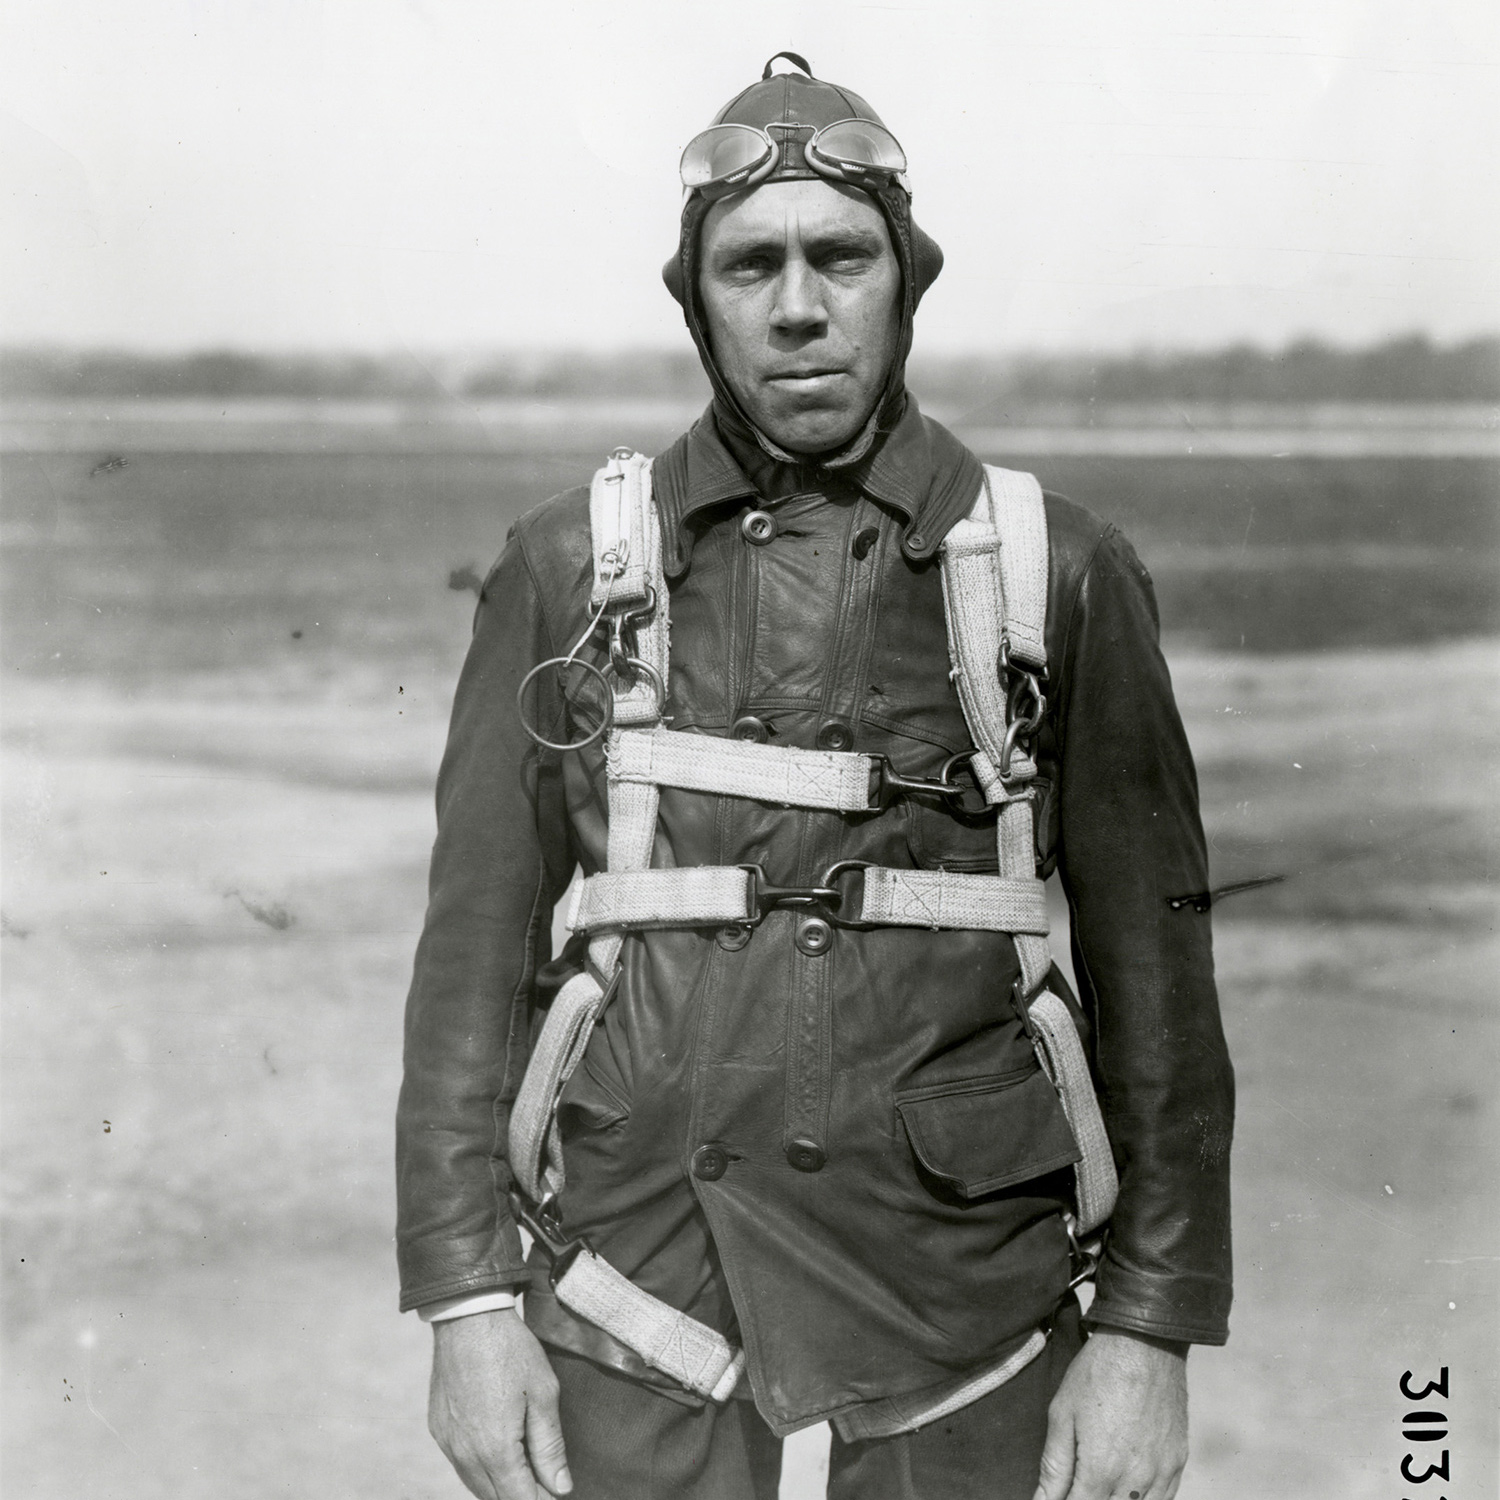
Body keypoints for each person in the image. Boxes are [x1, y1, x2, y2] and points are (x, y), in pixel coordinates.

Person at [397, 54, 1233, 1500]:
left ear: (906, 280)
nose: (797, 305)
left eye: (840, 256)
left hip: (963, 1297)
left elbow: (1160, 1005)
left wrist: (1149, 1329)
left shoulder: (1060, 572)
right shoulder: (564, 571)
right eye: (750, 265)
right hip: (633, 1291)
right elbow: (466, 972)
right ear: (696, 298)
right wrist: (467, 1305)